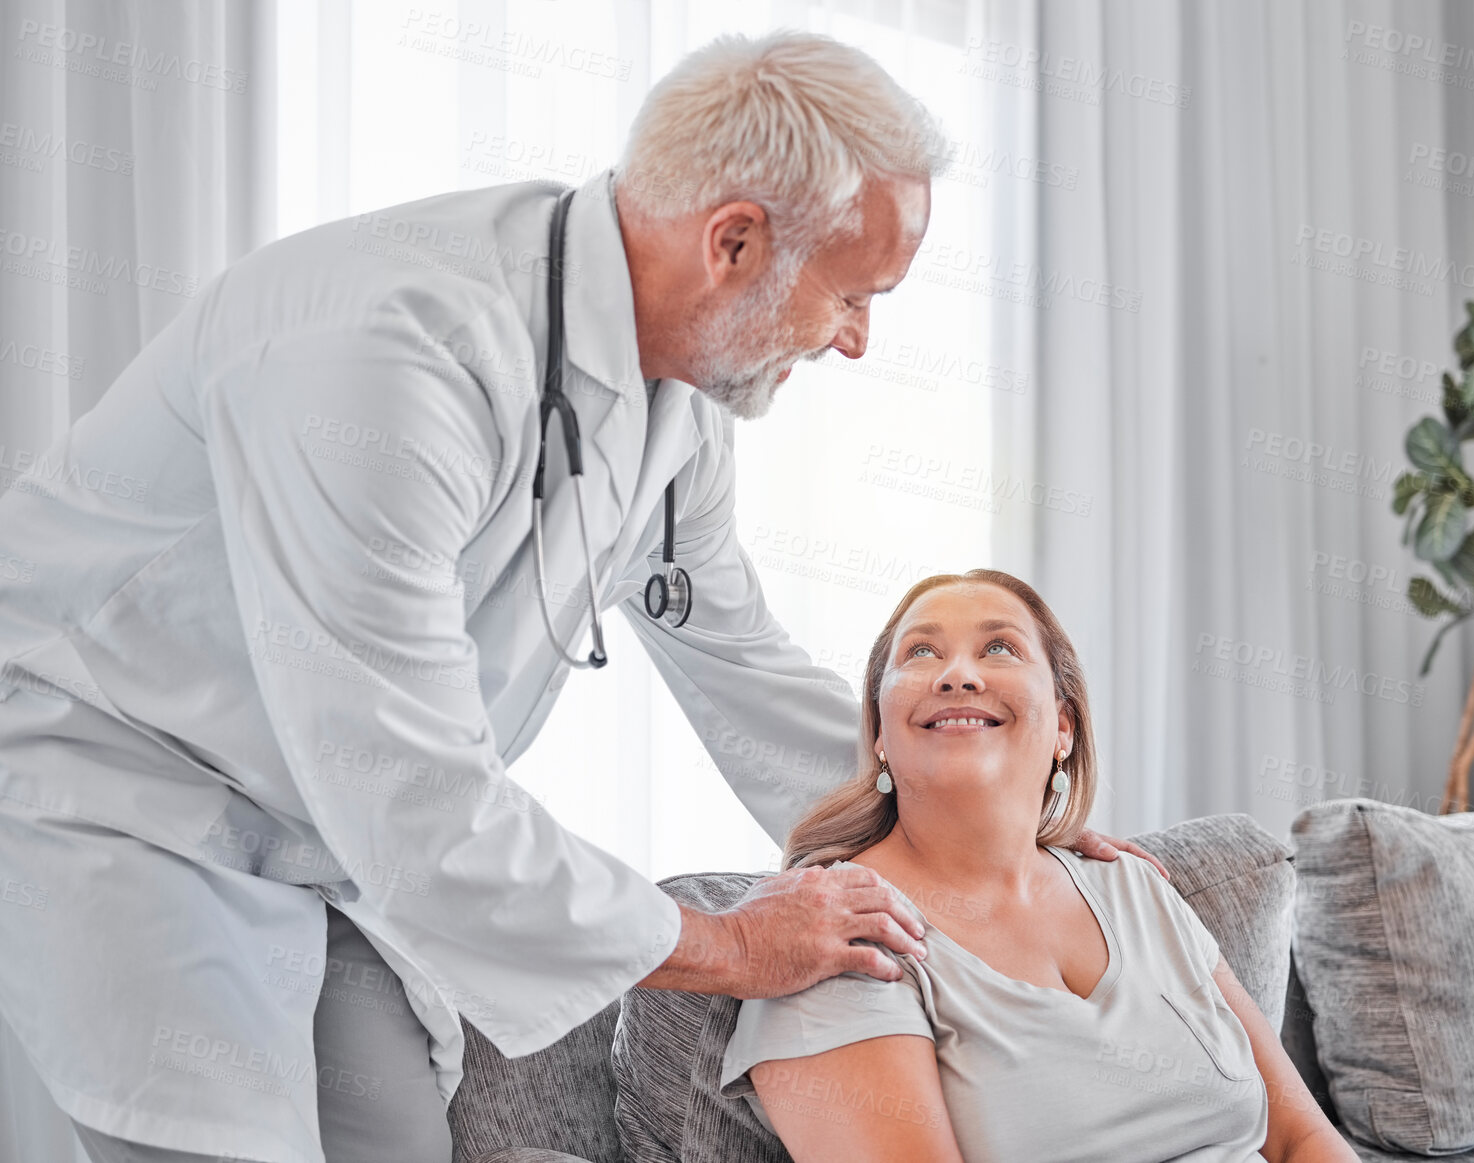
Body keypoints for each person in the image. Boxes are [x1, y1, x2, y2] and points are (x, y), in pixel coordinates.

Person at [0, 30, 1157, 1163]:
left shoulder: (678, 391)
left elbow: (736, 658)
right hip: (123, 789)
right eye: (852, 296)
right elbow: (414, 795)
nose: (855, 341)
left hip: (325, 821)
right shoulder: (383, 354)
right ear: (736, 241)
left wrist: (990, 833)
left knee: (397, 1134)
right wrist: (734, 942)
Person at [719, 570, 1359, 1163]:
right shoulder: (838, 933)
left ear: (1064, 728)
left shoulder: (1135, 887)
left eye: (999, 647)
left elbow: (1302, 1136)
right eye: (920, 652)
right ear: (878, 734)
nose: (957, 675)